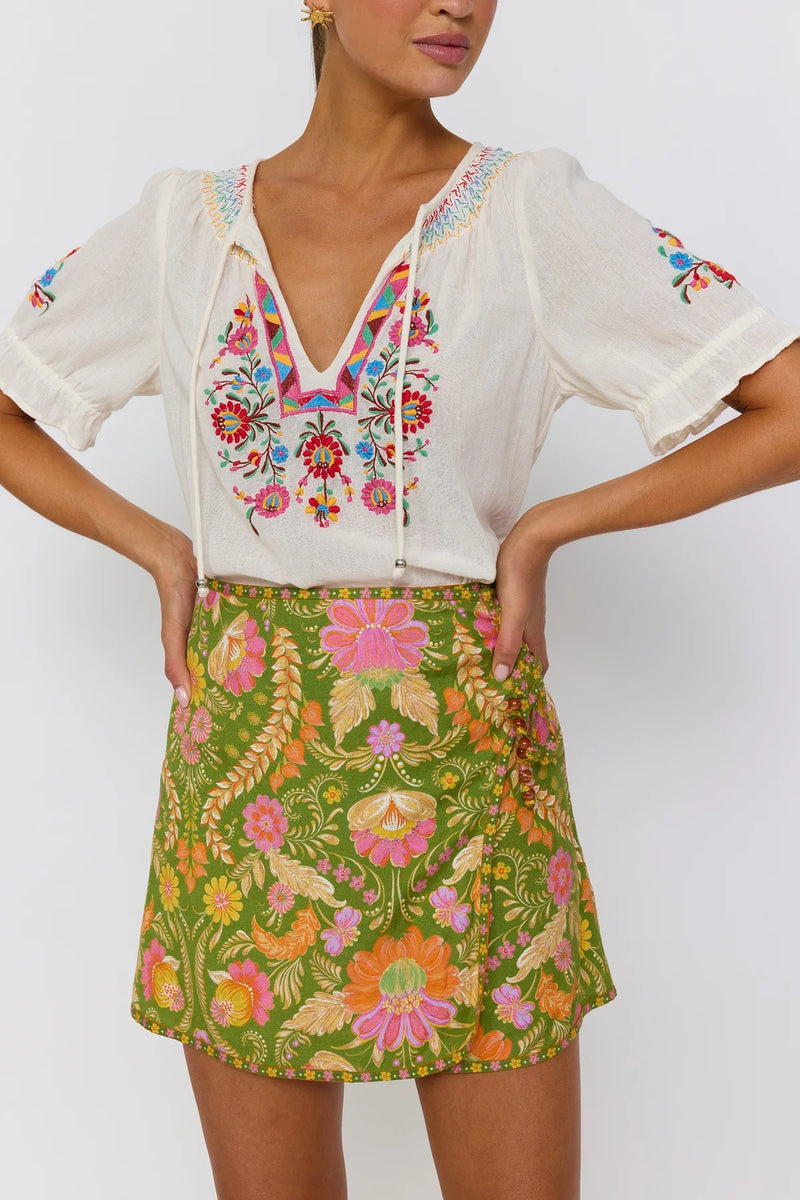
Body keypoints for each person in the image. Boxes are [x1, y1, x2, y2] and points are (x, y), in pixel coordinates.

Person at [1, 3, 799, 1198]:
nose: (458, 4)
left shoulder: (529, 209)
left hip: (469, 765)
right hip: (247, 777)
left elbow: (782, 403)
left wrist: (549, 525)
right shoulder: (184, 222)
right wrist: (158, 546)